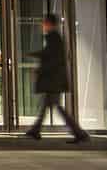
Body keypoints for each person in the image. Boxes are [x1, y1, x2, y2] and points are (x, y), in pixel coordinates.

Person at [24, 14, 88, 142]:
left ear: (49, 24)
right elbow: (49, 55)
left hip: (53, 80)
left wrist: (39, 69)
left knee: (56, 107)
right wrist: (35, 55)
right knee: (48, 106)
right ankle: (36, 130)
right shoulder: (54, 38)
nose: (43, 25)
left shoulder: (54, 38)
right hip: (54, 80)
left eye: (44, 23)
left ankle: (79, 133)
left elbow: (53, 59)